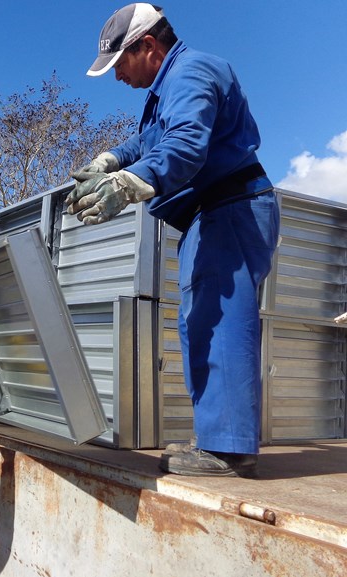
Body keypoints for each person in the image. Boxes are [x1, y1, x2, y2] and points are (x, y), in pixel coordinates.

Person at [70, 4, 279, 477]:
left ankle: (227, 449)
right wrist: (110, 160)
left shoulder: (192, 72)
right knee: (199, 323)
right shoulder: (169, 88)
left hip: (233, 208)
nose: (117, 75)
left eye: (119, 63)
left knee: (218, 321)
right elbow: (149, 143)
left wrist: (127, 185)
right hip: (214, 214)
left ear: (148, 46)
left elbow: (184, 146)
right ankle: (218, 439)